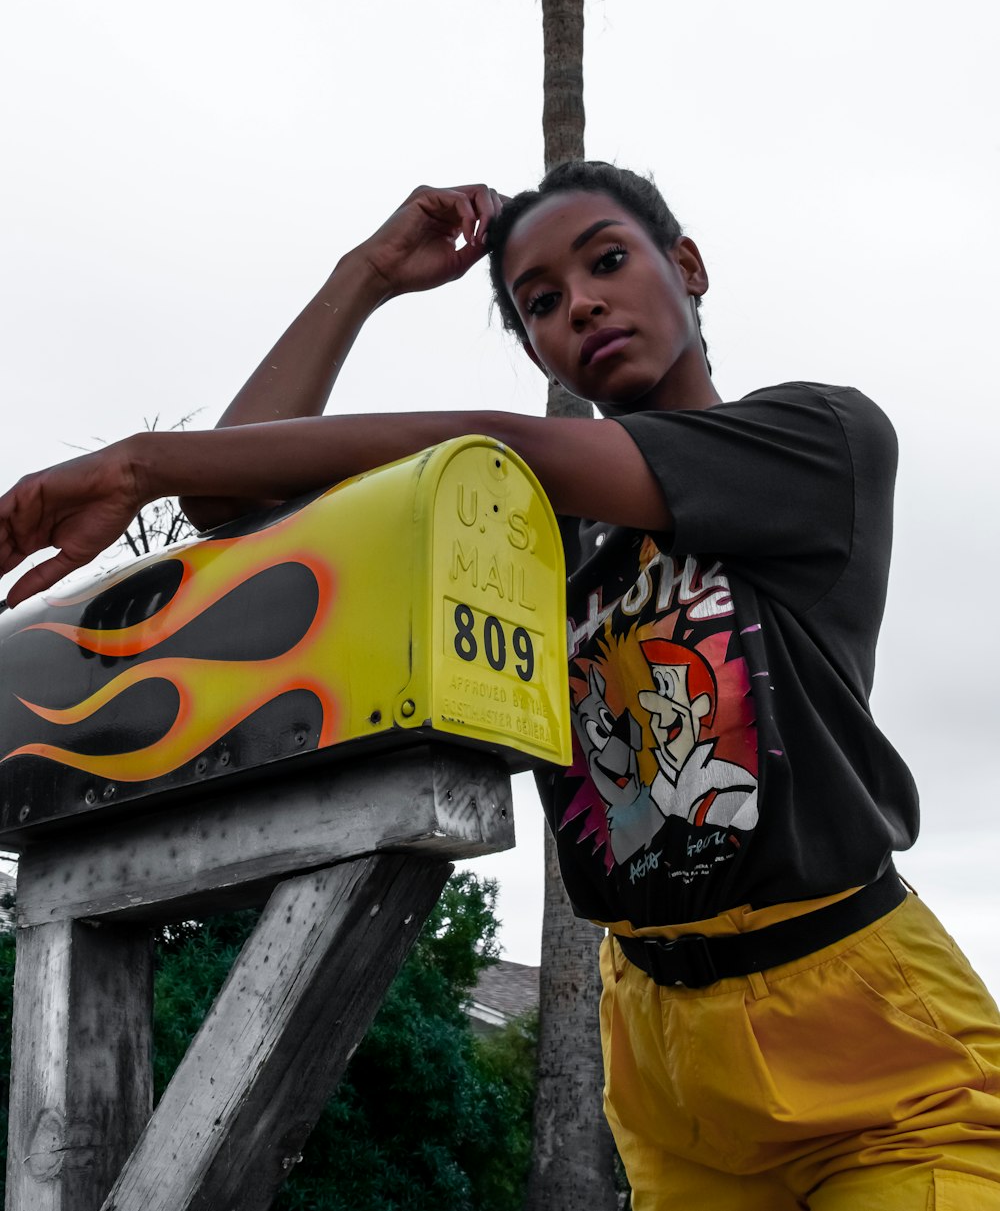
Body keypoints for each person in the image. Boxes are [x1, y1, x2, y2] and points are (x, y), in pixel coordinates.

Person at [2, 162, 1000, 1208]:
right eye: (539, 303)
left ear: (688, 267)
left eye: (607, 261)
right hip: (662, 1049)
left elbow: (505, 441)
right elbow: (231, 499)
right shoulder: (528, 536)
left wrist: (138, 461)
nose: (581, 304)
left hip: (867, 1036)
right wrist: (366, 274)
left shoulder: (817, 441)